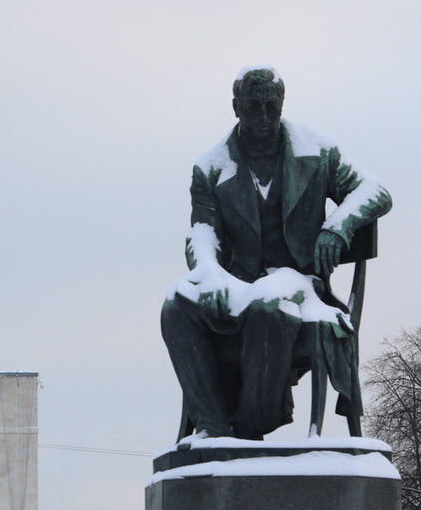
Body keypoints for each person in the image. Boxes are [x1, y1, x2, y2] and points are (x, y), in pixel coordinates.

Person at [161, 66, 391, 440]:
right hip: (237, 284)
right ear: (236, 107)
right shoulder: (211, 168)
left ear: (282, 104)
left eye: (272, 106)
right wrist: (208, 273)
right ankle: (213, 425)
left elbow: (375, 190)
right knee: (176, 305)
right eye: (254, 107)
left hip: (299, 283)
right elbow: (202, 231)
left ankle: (251, 427)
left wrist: (338, 227)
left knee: (268, 308)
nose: (264, 117)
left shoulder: (316, 154)